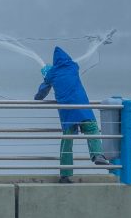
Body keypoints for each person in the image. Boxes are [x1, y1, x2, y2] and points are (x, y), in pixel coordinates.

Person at [35, 46, 109, 183]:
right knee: (92, 130)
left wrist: (46, 76)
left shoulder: (52, 73)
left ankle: (65, 175)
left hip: (68, 112)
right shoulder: (73, 66)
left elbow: (41, 95)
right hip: (82, 107)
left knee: (67, 142)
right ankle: (98, 155)